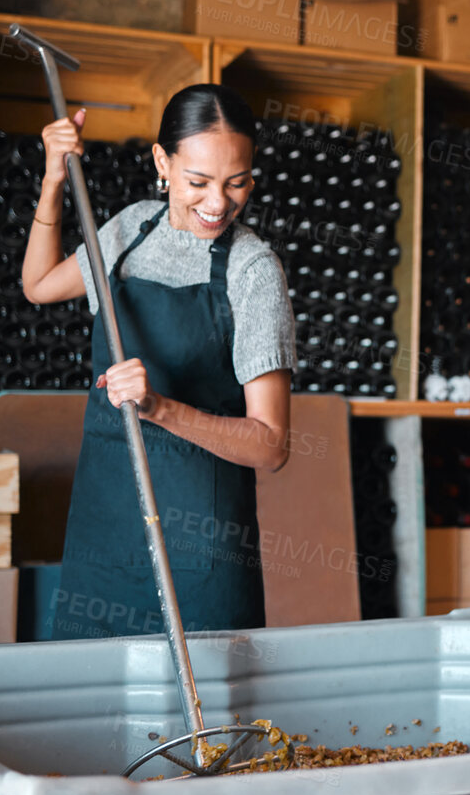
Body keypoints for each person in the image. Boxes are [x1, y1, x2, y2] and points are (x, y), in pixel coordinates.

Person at [25, 84, 296, 640]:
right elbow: (39, 284)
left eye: (236, 182)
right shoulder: (129, 230)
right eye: (198, 182)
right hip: (106, 529)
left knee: (208, 720)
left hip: (200, 547)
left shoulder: (253, 271)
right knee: (92, 705)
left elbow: (271, 446)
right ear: (162, 163)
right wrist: (54, 180)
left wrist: (159, 408)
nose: (218, 203)